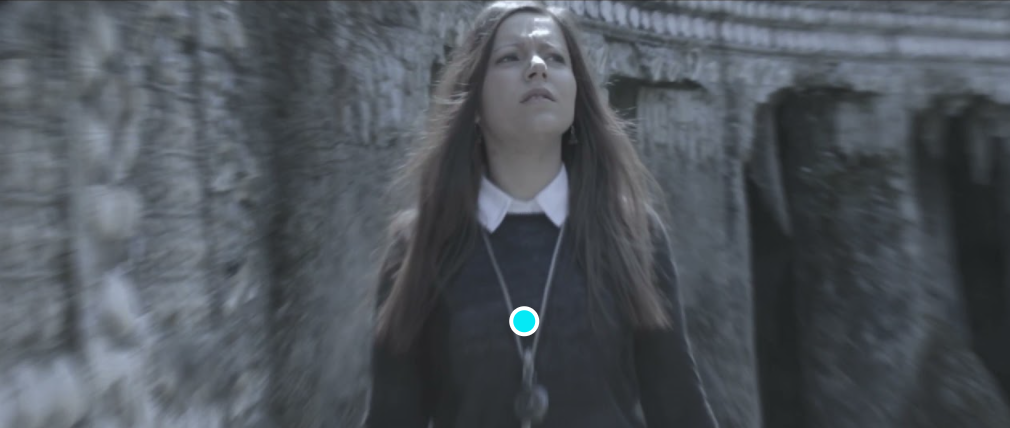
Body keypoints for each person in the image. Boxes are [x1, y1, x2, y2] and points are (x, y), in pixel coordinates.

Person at [364, 1, 718, 427]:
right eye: (510, 57)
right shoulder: (420, 243)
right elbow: (391, 415)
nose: (537, 67)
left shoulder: (632, 232)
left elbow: (680, 406)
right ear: (473, 101)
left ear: (577, 95)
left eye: (554, 57)